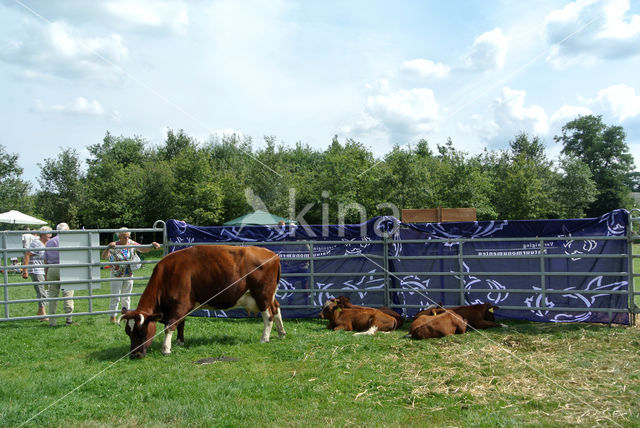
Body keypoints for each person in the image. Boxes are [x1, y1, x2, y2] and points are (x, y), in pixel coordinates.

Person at [102, 227, 161, 323]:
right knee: (115, 297)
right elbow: (104, 257)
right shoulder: (114, 246)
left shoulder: (131, 243)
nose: (127, 238)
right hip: (116, 275)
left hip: (129, 274)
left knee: (126, 296)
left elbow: (142, 249)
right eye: (125, 237)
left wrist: (151, 245)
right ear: (119, 237)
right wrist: (108, 248)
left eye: (128, 236)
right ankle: (112, 317)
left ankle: (126, 315)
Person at [45, 222, 74, 326]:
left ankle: (52, 321)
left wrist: (46, 273)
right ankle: (69, 319)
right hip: (66, 267)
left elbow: (46, 259)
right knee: (68, 293)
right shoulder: (70, 241)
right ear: (66, 230)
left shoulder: (49, 242)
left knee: (52, 295)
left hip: (52, 268)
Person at [22, 226, 53, 320]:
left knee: (45, 291)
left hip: (43, 270)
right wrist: (25, 271)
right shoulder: (36, 243)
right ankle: (43, 313)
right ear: (43, 234)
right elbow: (27, 254)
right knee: (42, 291)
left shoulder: (47, 243)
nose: (50, 235)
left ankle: (40, 312)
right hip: (35, 270)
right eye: (49, 233)